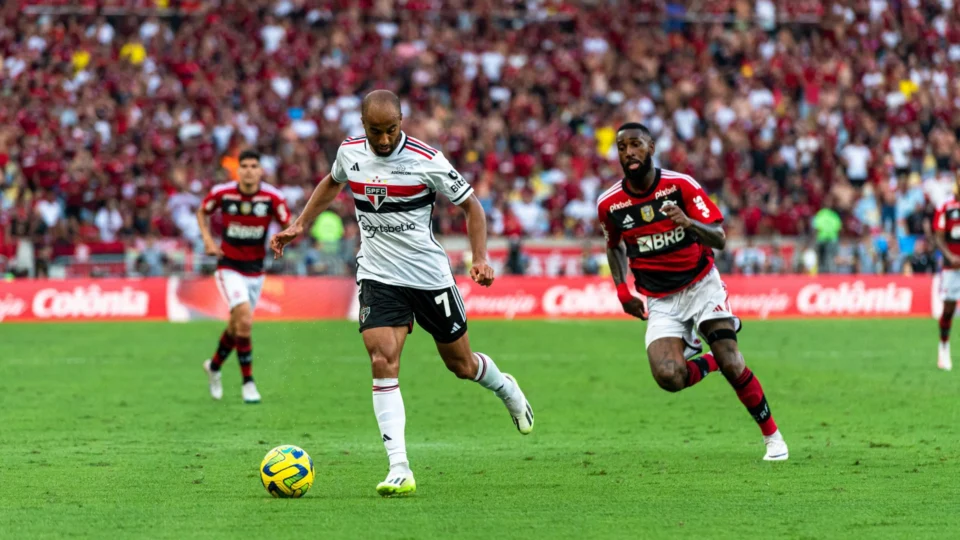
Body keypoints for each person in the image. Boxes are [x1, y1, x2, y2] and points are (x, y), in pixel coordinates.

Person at [270, 90, 534, 497]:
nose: (383, 139)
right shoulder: (350, 152)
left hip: (429, 277)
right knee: (382, 359)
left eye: (391, 130)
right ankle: (399, 468)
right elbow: (331, 182)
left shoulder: (427, 160)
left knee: (461, 366)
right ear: (363, 126)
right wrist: (301, 223)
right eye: (375, 131)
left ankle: (505, 387)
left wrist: (479, 257)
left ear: (401, 122)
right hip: (378, 275)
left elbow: (472, 207)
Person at [597, 122, 788, 461]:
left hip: (702, 285)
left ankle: (773, 438)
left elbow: (720, 238)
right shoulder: (610, 204)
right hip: (660, 300)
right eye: (622, 147)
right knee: (669, 377)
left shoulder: (680, 186)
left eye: (636, 144)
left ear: (651, 147)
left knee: (733, 360)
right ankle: (709, 360)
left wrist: (689, 223)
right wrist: (621, 290)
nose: (629, 152)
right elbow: (613, 246)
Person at [196, 150, 291, 403]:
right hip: (228, 266)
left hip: (256, 270)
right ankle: (248, 382)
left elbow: (289, 226)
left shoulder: (273, 197)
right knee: (245, 321)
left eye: (254, 166)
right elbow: (202, 212)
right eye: (245, 166)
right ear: (238, 170)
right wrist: (207, 240)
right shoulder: (223, 193)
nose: (249, 170)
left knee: (237, 325)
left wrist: (281, 238)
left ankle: (214, 367)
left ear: (261, 170)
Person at [932, 176, 960, 371]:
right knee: (949, 309)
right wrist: (950, 256)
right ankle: (943, 347)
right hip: (952, 266)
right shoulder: (946, 207)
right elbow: (939, 236)